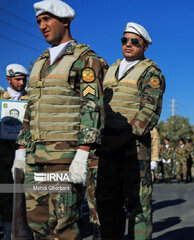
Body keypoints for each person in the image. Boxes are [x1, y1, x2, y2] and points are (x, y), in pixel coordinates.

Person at [12, 1, 108, 239]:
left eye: (47, 19)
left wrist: (83, 153)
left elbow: (92, 108)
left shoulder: (85, 60)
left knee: (64, 226)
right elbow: (31, 109)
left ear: (65, 21)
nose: (42, 26)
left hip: (64, 159)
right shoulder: (39, 64)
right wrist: (21, 150)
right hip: (36, 158)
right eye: (39, 22)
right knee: (38, 227)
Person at [96, 22, 165, 240]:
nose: (128, 44)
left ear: (145, 46)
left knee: (139, 206)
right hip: (106, 146)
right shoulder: (110, 70)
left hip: (133, 148)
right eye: (124, 40)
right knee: (107, 204)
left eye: (134, 41)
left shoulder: (151, 73)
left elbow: (149, 110)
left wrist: (123, 138)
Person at [0, 64, 28, 240]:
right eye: (18, 79)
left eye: (24, 79)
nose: (21, 82)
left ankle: (15, 229)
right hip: (2, 151)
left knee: (18, 191)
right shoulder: (1, 97)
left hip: (21, 150)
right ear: (9, 79)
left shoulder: (29, 98)